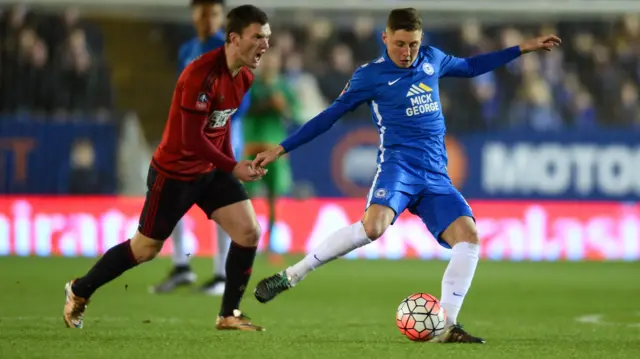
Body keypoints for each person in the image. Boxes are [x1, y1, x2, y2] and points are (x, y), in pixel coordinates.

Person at [251, 7, 561, 343]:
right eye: (400, 44)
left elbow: (471, 67)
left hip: (435, 175)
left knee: (469, 237)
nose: (407, 52)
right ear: (385, 38)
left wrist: (521, 49)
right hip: (398, 168)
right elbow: (328, 117)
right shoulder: (369, 76)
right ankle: (292, 275)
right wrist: (280, 149)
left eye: (413, 44)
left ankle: (446, 327)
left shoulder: (433, 59)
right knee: (373, 228)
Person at [63, 4, 272, 331]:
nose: (265, 44)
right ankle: (79, 289)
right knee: (145, 249)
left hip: (210, 171)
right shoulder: (200, 73)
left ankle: (228, 314)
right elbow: (191, 138)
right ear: (234, 38)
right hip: (174, 175)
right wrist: (232, 167)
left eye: (267, 37)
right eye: (258, 36)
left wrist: (230, 165)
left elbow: (223, 124)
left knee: (248, 232)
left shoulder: (244, 76)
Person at [151, 0, 252, 296]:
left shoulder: (230, 50)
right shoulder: (187, 49)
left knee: (223, 203)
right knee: (173, 194)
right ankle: (181, 266)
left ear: (223, 17)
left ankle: (221, 274)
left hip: (223, 140)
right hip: (190, 140)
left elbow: (241, 99)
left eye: (213, 12)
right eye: (202, 11)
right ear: (193, 14)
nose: (207, 18)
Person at [243, 50, 297, 251]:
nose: (269, 66)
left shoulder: (284, 87)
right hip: (252, 147)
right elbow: (244, 110)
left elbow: (292, 114)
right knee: (246, 196)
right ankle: (246, 237)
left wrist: (281, 106)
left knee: (274, 197)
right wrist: (269, 103)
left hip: (275, 150)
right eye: (266, 62)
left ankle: (270, 242)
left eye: (273, 63)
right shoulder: (251, 86)